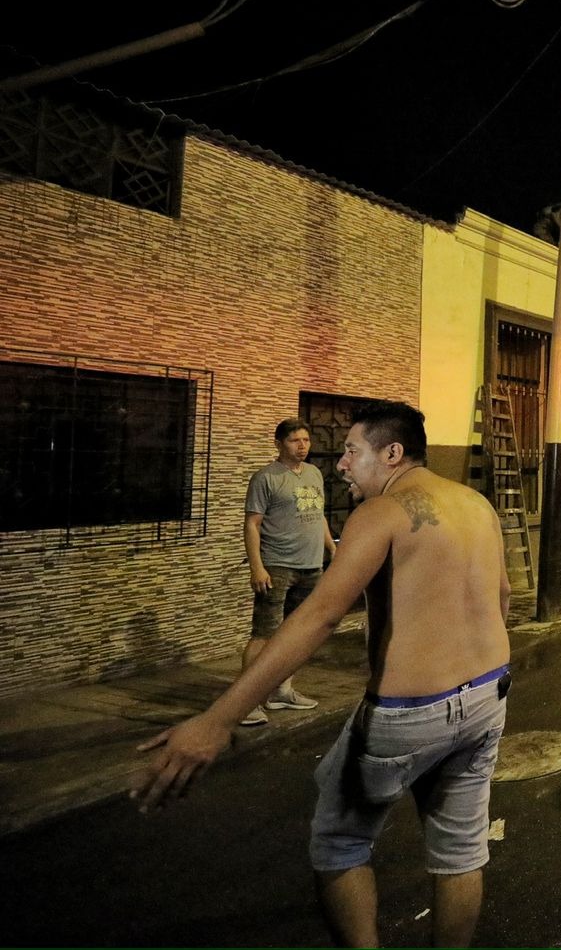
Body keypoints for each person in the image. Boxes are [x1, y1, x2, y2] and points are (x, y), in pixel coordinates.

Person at [131, 401, 513, 948]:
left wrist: (218, 719)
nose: (341, 463)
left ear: (392, 453)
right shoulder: (477, 504)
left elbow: (319, 616)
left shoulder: (382, 512)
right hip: (487, 696)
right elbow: (501, 596)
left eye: (353, 451)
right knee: (460, 852)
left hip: (408, 712)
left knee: (339, 843)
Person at [238, 418, 337, 726]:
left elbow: (318, 515)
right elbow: (252, 524)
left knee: (296, 635)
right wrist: (257, 566)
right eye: (295, 440)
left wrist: (332, 548)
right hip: (277, 566)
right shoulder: (265, 478)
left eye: (306, 440)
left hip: (311, 566)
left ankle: (281, 691)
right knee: (264, 635)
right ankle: (244, 703)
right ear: (279, 444)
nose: (302, 446)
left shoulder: (314, 473)